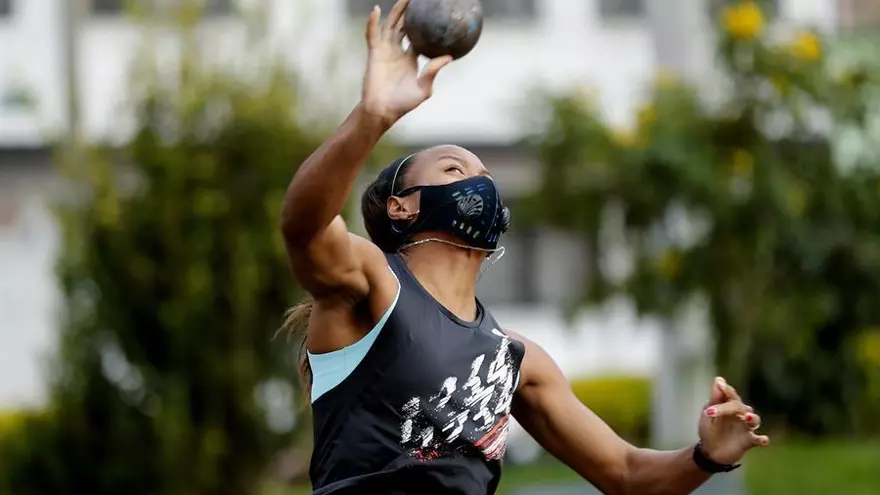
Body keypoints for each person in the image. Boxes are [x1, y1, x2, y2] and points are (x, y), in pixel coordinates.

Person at [279, 1, 769, 493]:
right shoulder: (371, 284)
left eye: (486, 178)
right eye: (454, 170)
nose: (479, 184)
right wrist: (373, 116)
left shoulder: (513, 358)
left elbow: (625, 472)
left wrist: (707, 456)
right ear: (401, 207)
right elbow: (304, 227)